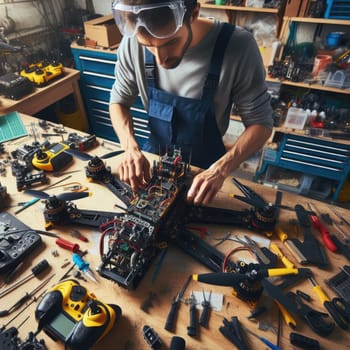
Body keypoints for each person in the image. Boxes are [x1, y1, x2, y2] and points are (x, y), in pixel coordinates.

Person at [109, 0, 273, 205]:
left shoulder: (238, 46)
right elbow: (118, 101)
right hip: (155, 159)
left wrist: (220, 170)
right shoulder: (133, 40)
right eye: (148, 47)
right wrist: (130, 148)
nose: (161, 59)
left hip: (209, 166)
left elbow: (262, 125)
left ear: (194, 13)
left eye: (170, 42)